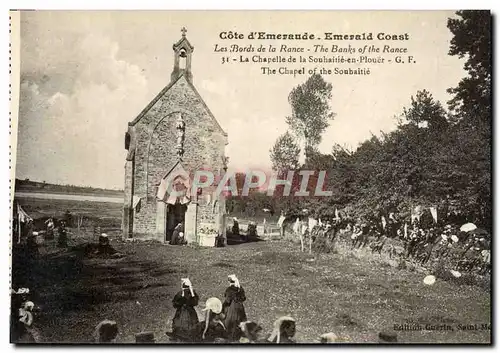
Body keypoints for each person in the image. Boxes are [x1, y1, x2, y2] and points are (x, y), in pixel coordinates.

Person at [222, 275, 247, 341]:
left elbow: (228, 301)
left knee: (230, 322)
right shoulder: (240, 288)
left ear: (229, 281)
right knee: (240, 321)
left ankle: (230, 338)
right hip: (240, 307)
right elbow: (244, 298)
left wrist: (223, 306)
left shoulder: (229, 289)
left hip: (232, 308)